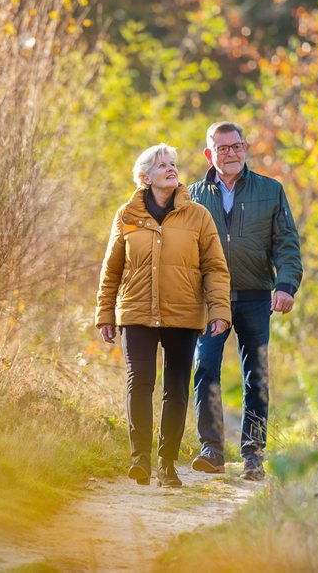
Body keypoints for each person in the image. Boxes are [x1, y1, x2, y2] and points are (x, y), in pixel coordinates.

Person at [95, 143, 231, 488]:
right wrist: (105, 313)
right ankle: (140, 459)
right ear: (145, 177)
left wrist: (219, 311)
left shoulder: (199, 215)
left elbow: (215, 268)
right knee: (139, 383)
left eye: (173, 164)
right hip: (136, 311)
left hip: (183, 312)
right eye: (162, 165)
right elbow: (111, 269)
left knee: (175, 389)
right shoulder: (126, 215)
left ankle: (166, 463)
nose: (171, 169)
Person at [188, 121, 303, 481]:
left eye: (236, 146)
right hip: (210, 300)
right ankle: (212, 450)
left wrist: (286, 285)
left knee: (257, 376)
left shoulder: (270, 191)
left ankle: (253, 455)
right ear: (210, 154)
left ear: (245, 148)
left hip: (256, 296)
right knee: (205, 367)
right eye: (223, 148)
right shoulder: (191, 196)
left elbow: (286, 243)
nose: (231, 153)